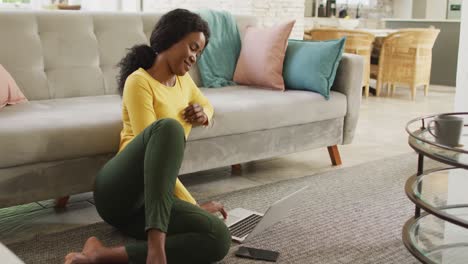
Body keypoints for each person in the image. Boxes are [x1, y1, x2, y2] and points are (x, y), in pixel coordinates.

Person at [64, 9, 231, 264]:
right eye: (192, 47)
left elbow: (207, 104)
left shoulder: (184, 83)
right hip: (119, 191)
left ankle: (103, 255)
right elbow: (152, 159)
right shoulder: (139, 82)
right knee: (170, 128)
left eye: (199, 53)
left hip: (150, 205)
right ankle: (156, 250)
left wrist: (204, 114)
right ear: (171, 38)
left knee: (218, 236)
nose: (195, 57)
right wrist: (193, 204)